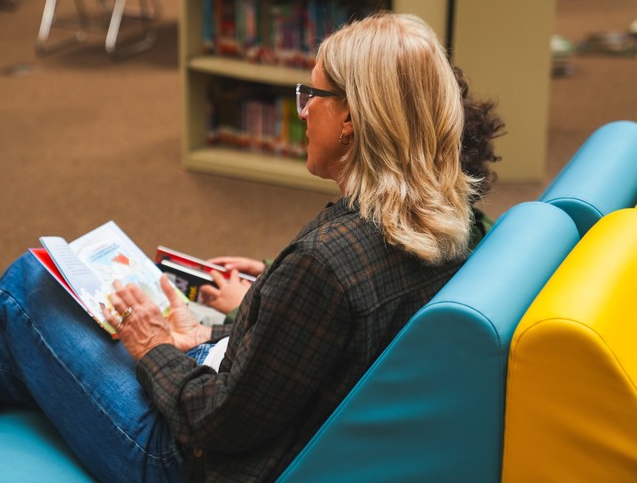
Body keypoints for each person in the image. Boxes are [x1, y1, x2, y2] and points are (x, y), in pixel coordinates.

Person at [0, 12, 480, 482]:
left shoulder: (326, 264)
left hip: (183, 461)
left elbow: (213, 423)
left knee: (26, 288)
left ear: (350, 117)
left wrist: (154, 347)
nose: (301, 112)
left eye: (311, 94)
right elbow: (314, 353)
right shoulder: (456, 220)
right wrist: (213, 335)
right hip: (241, 396)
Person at [199, 65, 507, 318]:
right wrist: (272, 274)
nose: (304, 113)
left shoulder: (362, 245)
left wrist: (242, 308)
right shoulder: (471, 226)